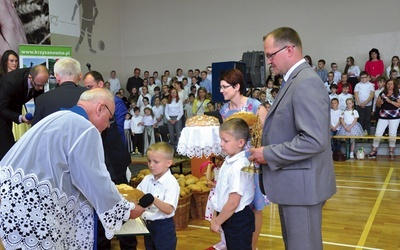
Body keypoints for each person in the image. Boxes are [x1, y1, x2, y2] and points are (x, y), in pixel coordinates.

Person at [0, 88, 146, 249]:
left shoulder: (57, 117)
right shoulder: (85, 128)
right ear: (100, 108)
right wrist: (125, 210)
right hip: (38, 212)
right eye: (109, 119)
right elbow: (95, 180)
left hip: (16, 206)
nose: (107, 126)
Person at [250, 27, 336, 250]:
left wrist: (267, 154)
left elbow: (314, 140)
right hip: (295, 186)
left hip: (302, 188)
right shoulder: (294, 81)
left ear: (289, 49)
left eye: (270, 55)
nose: (268, 61)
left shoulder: (305, 82)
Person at [218, 68, 268, 249]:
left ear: (237, 86)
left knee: (255, 206)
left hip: (253, 164)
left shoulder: (256, 107)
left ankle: (252, 246)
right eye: (221, 87)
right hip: (234, 164)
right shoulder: (224, 110)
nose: (221, 90)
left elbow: (267, 133)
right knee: (234, 203)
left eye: (224, 87)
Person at [210, 118, 255, 250]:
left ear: (241, 142)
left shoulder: (239, 166)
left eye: (226, 140)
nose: (221, 144)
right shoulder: (229, 160)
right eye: (221, 139)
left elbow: (233, 202)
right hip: (229, 217)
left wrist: (217, 221)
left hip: (238, 220)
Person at [137, 142, 180, 250]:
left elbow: (169, 209)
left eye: (156, 162)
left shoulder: (171, 183)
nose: (151, 165)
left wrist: (153, 200)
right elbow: (137, 195)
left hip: (164, 227)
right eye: (149, 161)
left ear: (168, 163)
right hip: (147, 225)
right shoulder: (147, 179)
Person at [0, 65, 49, 160]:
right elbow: (1, 108)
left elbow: (39, 101)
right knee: (5, 147)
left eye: (44, 84)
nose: (41, 88)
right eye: (38, 85)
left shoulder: (38, 81)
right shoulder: (11, 82)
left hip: (10, 105)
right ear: (30, 78)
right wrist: (20, 118)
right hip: (2, 107)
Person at [32, 57, 86, 126]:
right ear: (80, 76)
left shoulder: (42, 100)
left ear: (57, 77)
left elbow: (36, 131)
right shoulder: (92, 97)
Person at [367, 79, 400, 160]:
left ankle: (391, 151)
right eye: (388, 84)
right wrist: (380, 103)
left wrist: (390, 101)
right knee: (378, 132)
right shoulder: (382, 93)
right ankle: (374, 150)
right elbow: (377, 104)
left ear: (394, 85)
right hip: (383, 115)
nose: (389, 85)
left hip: (394, 116)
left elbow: (398, 105)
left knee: (392, 133)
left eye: (391, 84)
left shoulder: (397, 94)